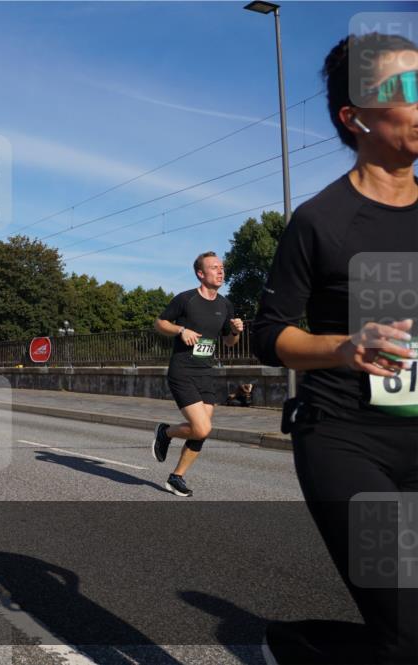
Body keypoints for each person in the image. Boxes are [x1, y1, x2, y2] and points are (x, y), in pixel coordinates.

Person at [251, 32, 418, 665]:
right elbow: (269, 333)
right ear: (355, 118)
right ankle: (294, 645)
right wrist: (344, 347)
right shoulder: (322, 221)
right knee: (407, 636)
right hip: (347, 439)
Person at [151, 252, 243, 497]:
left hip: (205, 372)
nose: (220, 271)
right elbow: (159, 323)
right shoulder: (186, 299)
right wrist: (181, 329)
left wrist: (235, 331)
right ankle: (166, 433)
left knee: (202, 429)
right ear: (201, 274)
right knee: (201, 428)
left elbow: (230, 342)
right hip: (182, 371)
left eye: (221, 267)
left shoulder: (225, 304)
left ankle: (176, 476)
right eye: (214, 267)